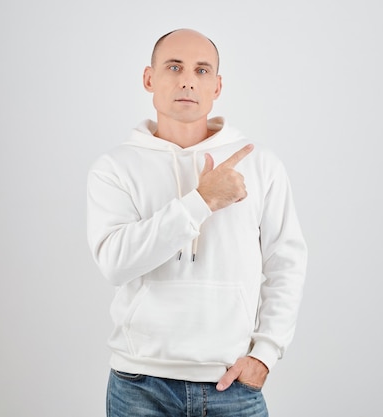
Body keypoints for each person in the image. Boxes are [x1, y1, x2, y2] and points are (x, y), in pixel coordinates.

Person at [86, 28, 308, 417]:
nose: (188, 79)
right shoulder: (115, 167)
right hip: (139, 386)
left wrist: (266, 353)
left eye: (202, 70)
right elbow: (115, 264)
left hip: (232, 384)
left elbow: (286, 262)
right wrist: (202, 201)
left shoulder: (260, 164)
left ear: (217, 86)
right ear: (149, 79)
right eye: (175, 66)